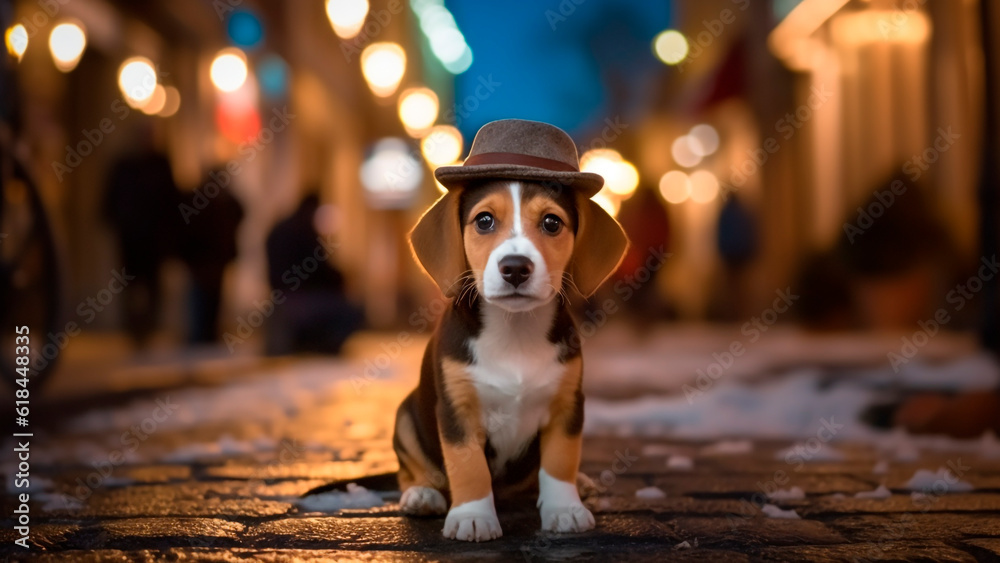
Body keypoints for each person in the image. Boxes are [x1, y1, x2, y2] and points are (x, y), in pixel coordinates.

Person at [265, 193, 362, 354]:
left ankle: (311, 344)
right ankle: (326, 346)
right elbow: (320, 268)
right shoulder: (304, 230)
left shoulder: (279, 229)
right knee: (352, 310)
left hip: (282, 295)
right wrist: (342, 278)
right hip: (304, 298)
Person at [103, 147, 181, 345]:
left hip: (152, 241)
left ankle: (148, 328)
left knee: (152, 286)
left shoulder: (160, 166)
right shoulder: (125, 166)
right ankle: (134, 328)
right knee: (130, 285)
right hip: (131, 239)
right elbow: (111, 200)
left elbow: (170, 203)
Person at [179, 168, 244, 343]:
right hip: (204, 257)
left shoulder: (223, 201)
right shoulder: (204, 199)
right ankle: (202, 333)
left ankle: (206, 333)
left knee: (210, 296)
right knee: (203, 296)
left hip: (211, 257)